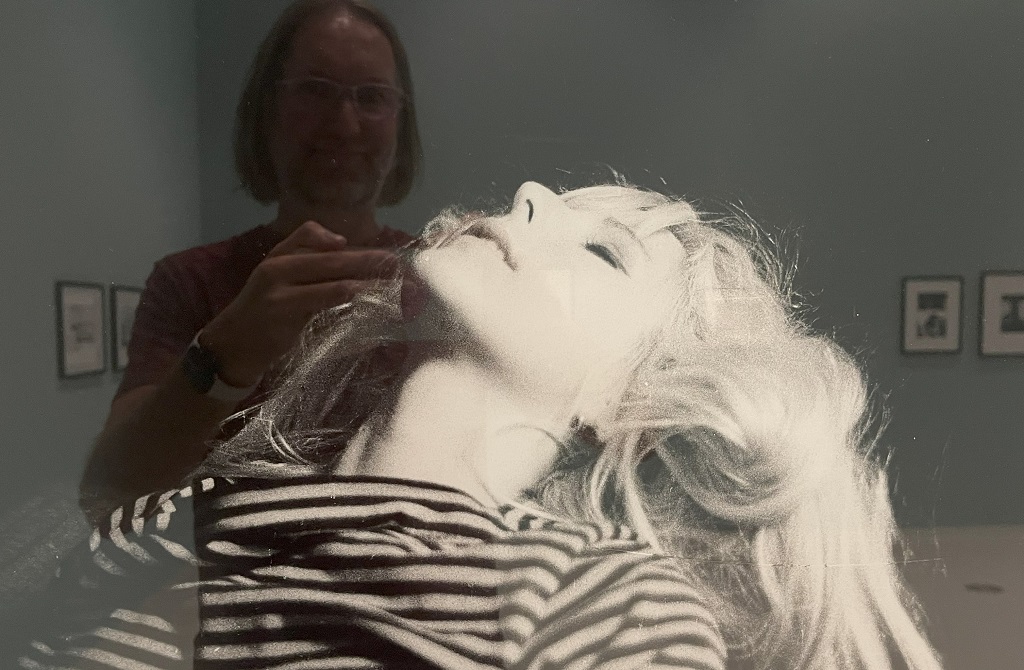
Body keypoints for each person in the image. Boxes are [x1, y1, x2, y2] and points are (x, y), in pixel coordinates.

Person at [21, 182, 941, 669]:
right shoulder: (183, 520)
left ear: (630, 404)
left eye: (602, 252)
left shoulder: (603, 602)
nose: (528, 194)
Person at [79, 0, 423, 523]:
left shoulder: (444, 275)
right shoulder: (189, 281)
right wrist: (227, 353)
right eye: (315, 90)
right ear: (267, 111)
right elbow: (107, 493)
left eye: (372, 97)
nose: (345, 125)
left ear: (400, 123)